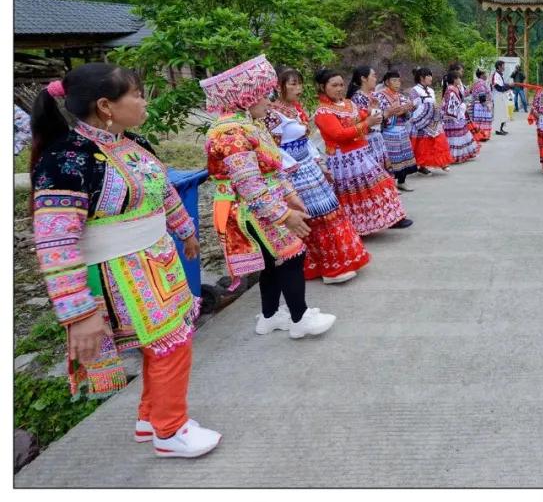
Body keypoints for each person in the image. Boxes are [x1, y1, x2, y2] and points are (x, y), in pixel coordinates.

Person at [31, 64, 221, 458]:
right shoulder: (66, 159)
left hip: (158, 261)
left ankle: (152, 417)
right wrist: (79, 312)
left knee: (167, 343)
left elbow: (164, 190)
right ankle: (169, 432)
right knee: (171, 345)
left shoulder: (132, 142)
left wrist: (184, 231)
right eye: (136, 94)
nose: (144, 101)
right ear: (106, 106)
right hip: (120, 272)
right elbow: (56, 243)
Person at [202, 55, 336, 342]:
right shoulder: (232, 133)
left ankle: (270, 315)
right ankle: (300, 318)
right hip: (251, 208)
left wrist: (289, 194)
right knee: (289, 257)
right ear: (244, 97)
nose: (268, 100)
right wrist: (283, 214)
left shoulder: (249, 124)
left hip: (264, 202)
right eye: (263, 94)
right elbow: (249, 184)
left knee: (274, 262)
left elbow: (273, 165)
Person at [268, 68, 370, 284]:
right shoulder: (273, 113)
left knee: (329, 211)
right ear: (279, 86)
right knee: (312, 215)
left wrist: (318, 162)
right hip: (293, 171)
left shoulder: (297, 108)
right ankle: (325, 267)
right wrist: (291, 167)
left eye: (299, 83)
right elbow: (273, 148)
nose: (297, 88)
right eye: (292, 84)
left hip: (309, 165)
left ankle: (336, 262)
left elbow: (305, 139)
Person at [313, 68, 412, 234]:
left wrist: (376, 111)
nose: (339, 88)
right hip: (344, 159)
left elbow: (363, 115)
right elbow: (339, 134)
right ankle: (362, 225)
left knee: (379, 184)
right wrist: (368, 122)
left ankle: (387, 218)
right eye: (334, 85)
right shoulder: (323, 111)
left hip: (359, 153)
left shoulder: (348, 103)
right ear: (323, 87)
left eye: (341, 85)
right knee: (357, 193)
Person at [375, 70, 419, 191]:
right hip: (389, 131)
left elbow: (407, 113)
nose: (397, 83)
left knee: (404, 157)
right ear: (386, 82)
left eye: (398, 80)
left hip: (402, 130)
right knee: (391, 158)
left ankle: (402, 181)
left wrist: (407, 109)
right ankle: (391, 184)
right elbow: (382, 113)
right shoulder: (380, 96)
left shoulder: (400, 96)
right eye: (394, 80)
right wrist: (397, 111)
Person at [408, 67, 453, 172]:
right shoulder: (414, 90)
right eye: (428, 75)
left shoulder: (431, 90)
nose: (430, 77)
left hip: (433, 119)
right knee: (423, 143)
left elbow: (433, 103)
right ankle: (422, 165)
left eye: (430, 75)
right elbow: (413, 106)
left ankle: (442, 162)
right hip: (421, 120)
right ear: (421, 78)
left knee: (438, 141)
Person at [349, 65, 390, 171]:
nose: (375, 79)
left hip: (377, 137)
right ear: (363, 78)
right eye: (373, 76)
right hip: (368, 140)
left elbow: (378, 118)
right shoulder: (357, 98)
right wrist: (387, 113)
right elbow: (369, 121)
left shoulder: (374, 95)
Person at [442, 68, 481, 164]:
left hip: (457, 116)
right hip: (453, 117)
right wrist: (463, 106)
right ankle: (454, 156)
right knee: (455, 137)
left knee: (459, 135)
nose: (460, 79)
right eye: (458, 78)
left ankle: (457, 155)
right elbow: (452, 106)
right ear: (454, 79)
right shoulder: (451, 90)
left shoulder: (454, 88)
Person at [468, 68, 494, 142]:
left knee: (480, 121)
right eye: (485, 74)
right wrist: (486, 105)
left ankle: (481, 135)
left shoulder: (477, 82)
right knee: (482, 121)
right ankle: (482, 135)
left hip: (479, 105)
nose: (486, 75)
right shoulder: (480, 83)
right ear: (482, 75)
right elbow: (482, 96)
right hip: (481, 105)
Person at [491, 61, 511, 135]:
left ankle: (501, 129)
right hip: (497, 97)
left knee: (503, 114)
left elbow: (502, 86)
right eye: (503, 66)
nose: (504, 67)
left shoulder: (500, 75)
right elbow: (499, 88)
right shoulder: (496, 75)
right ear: (499, 66)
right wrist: (509, 86)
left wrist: (508, 85)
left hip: (501, 96)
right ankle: (498, 130)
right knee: (499, 114)